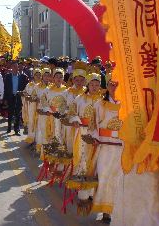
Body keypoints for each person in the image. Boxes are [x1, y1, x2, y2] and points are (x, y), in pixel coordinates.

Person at [69, 71, 102, 215]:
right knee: (82, 162)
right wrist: (75, 120)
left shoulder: (103, 99)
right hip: (82, 133)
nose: (94, 87)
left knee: (95, 163)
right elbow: (71, 112)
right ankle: (83, 196)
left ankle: (94, 194)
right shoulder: (79, 98)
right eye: (92, 84)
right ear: (87, 85)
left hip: (98, 136)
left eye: (97, 84)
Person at [91, 74, 121, 222]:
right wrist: (95, 138)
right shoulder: (99, 104)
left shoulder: (127, 105)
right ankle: (104, 211)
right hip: (105, 146)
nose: (114, 87)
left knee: (119, 179)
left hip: (122, 148)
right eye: (111, 84)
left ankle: (116, 209)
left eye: (116, 84)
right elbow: (93, 124)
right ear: (107, 86)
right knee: (104, 177)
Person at [3, 61, 28, 136]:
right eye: (13, 67)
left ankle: (17, 129)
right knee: (10, 113)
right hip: (10, 97)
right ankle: (9, 127)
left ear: (18, 68)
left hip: (18, 97)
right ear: (11, 68)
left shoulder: (23, 77)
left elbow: (25, 88)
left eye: (16, 67)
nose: (15, 68)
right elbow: (5, 88)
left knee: (17, 113)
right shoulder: (8, 76)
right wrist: (5, 99)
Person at [22, 69, 42, 142]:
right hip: (31, 106)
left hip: (40, 106)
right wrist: (26, 96)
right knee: (31, 121)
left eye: (40, 75)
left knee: (38, 122)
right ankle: (31, 137)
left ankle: (37, 139)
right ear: (33, 76)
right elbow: (25, 92)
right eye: (36, 75)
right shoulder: (29, 84)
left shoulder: (42, 85)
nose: (38, 76)